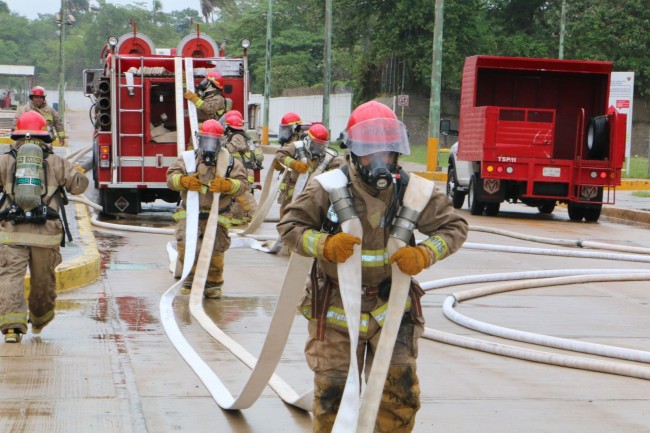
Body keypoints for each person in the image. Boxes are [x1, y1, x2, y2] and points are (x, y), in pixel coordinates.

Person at [277, 101, 469, 432]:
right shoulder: (327, 187)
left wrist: (424, 253)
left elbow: (454, 228)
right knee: (333, 398)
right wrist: (323, 245)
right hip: (335, 308)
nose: (379, 161)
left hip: (391, 309)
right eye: (369, 152)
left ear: (396, 153)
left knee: (399, 397)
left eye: (387, 152)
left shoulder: (414, 190)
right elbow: (290, 226)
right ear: (353, 152)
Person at [0, 111, 89, 343]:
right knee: (43, 281)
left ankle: (11, 327)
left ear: (16, 134)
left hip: (11, 232)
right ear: (45, 136)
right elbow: (78, 188)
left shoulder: (6, 160)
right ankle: (39, 319)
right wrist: (78, 172)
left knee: (10, 278)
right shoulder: (57, 162)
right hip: (46, 234)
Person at [166, 119, 249, 299]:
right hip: (189, 211)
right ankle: (189, 279)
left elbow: (243, 184)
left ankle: (213, 284)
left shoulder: (230, 163)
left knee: (216, 248)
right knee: (186, 243)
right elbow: (170, 177)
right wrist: (183, 181)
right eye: (206, 141)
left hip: (218, 213)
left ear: (221, 142)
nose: (209, 146)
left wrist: (228, 185)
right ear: (199, 140)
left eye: (214, 142)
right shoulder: (188, 159)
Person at [273, 122, 343, 218]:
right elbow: (280, 155)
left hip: (312, 189)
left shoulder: (327, 155)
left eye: (321, 145)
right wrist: (294, 164)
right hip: (293, 186)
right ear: (308, 140)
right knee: (287, 207)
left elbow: (341, 163)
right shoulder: (296, 146)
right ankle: (285, 226)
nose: (318, 147)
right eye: (316, 144)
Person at [223, 110, 261, 225]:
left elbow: (231, 148)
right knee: (237, 195)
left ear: (229, 127)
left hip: (244, 170)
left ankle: (256, 215)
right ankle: (240, 218)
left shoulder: (237, 137)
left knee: (244, 193)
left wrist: (220, 146)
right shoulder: (238, 135)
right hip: (243, 169)